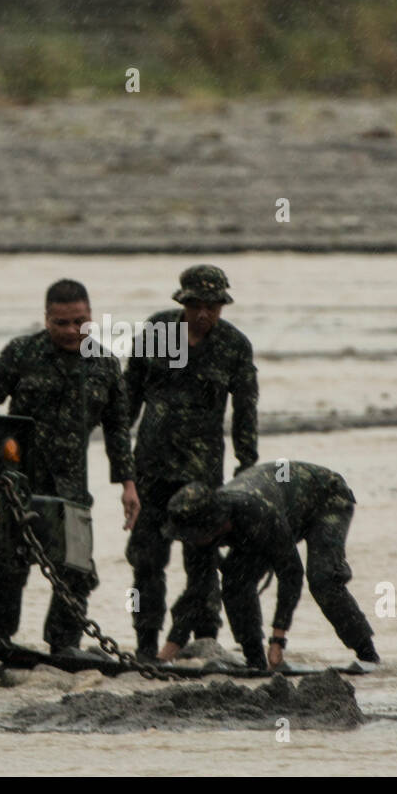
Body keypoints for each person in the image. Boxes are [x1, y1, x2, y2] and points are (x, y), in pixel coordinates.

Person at [0, 278, 139, 656]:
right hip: (19, 483)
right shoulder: (21, 353)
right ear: (46, 319)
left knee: (77, 571)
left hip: (72, 488)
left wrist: (128, 485)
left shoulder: (105, 365)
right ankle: (0, 644)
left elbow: (117, 431)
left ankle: (63, 648)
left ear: (91, 318)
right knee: (7, 568)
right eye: (61, 323)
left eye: (79, 322)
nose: (71, 331)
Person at [124, 264, 259, 662]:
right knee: (146, 561)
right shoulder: (156, 332)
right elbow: (127, 397)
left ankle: (204, 639)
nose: (204, 314)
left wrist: (247, 466)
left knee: (202, 560)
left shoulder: (235, 346)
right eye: (196, 305)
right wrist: (122, 468)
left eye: (213, 306)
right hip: (150, 468)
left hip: (202, 475)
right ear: (182, 302)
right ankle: (146, 645)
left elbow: (245, 410)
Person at [160, 461, 377, 670]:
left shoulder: (259, 515)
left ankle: (367, 655)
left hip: (326, 498)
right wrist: (168, 652)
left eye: (193, 535)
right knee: (235, 581)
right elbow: (198, 590)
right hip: (278, 509)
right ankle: (254, 660)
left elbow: (291, 573)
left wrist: (277, 640)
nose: (190, 541)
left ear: (213, 525)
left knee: (323, 579)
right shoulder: (197, 529)